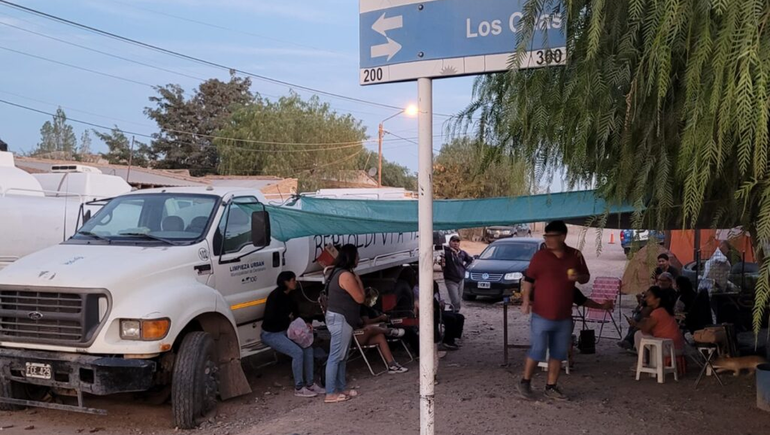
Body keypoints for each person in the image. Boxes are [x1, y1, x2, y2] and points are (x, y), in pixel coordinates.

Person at [516, 221, 614, 401]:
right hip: (541, 314)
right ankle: (525, 382)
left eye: (551, 237)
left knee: (558, 352)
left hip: (564, 316)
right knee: (537, 350)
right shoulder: (540, 257)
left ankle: (551, 386)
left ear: (562, 236)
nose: (548, 240)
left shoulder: (575, 255)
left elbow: (585, 279)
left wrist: (579, 276)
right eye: (546, 237)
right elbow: (528, 279)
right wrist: (526, 300)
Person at [261, 272, 324, 398]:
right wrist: (289, 323)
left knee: (307, 347)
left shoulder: (291, 296)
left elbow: (296, 315)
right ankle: (299, 387)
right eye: (293, 280)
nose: (295, 282)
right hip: (272, 333)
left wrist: (305, 324)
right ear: (286, 282)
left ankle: (310, 384)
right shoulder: (275, 296)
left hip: (286, 330)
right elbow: (271, 319)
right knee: (297, 352)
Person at [324, 244, 365, 403]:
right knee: (335, 356)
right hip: (341, 318)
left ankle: (340, 388)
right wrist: (358, 280)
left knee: (342, 356)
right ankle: (330, 393)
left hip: (341, 318)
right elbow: (360, 298)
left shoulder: (336, 272)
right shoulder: (346, 276)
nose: (359, 259)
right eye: (357, 256)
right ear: (351, 257)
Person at [355, 288, 409, 374]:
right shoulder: (361, 308)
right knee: (370, 328)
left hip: (362, 333)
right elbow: (366, 322)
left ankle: (392, 364)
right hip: (356, 334)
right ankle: (389, 331)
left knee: (380, 337)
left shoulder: (370, 308)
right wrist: (379, 318)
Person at [628, 286, 685, 354]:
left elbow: (646, 328)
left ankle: (643, 361)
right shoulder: (664, 310)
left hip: (670, 347)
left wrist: (635, 324)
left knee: (638, 334)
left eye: (649, 296)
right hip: (676, 346)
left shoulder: (658, 312)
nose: (646, 299)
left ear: (657, 299)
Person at [414, 281, 465, 350]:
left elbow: (439, 299)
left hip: (439, 310)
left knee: (460, 317)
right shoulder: (417, 289)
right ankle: (447, 341)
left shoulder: (434, 288)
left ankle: (452, 338)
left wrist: (441, 302)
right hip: (430, 312)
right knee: (450, 318)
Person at [441, 235, 473, 313]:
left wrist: (464, 268)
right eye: (453, 241)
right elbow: (441, 252)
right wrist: (449, 250)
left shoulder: (462, 253)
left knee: (459, 301)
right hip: (451, 280)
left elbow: (470, 260)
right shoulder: (447, 253)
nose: (455, 243)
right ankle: (454, 316)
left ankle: (455, 315)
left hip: (460, 280)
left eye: (457, 241)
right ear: (450, 242)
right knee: (455, 300)